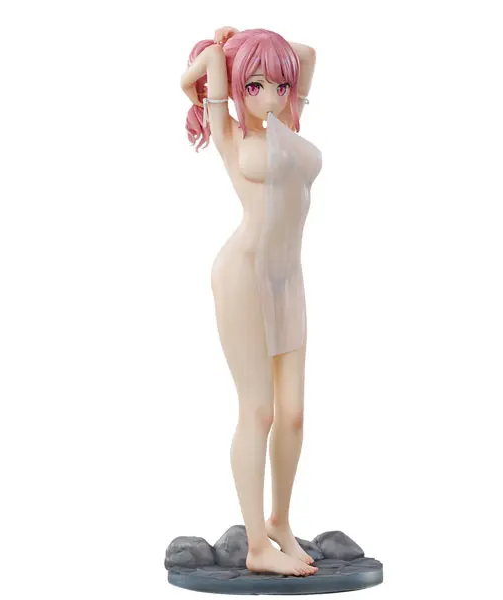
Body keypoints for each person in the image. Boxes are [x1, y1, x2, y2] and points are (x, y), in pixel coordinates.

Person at [180, 27, 321, 577]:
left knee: (294, 415)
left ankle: (279, 521)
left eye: (280, 86)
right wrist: (219, 53)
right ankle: (256, 544)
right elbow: (199, 72)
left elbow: (306, 55)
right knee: (258, 411)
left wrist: (258, 45)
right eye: (256, 86)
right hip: (242, 275)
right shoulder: (230, 134)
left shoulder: (288, 128)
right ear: (239, 89)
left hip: (287, 278)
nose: (271, 96)